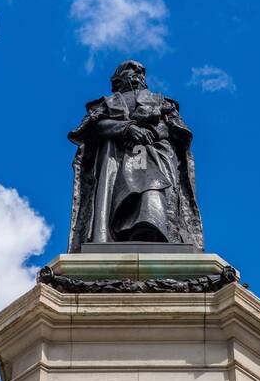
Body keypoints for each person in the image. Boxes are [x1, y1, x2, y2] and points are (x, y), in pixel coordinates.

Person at [67, 60, 203, 250]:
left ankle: (152, 230)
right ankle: (117, 232)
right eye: (131, 69)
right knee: (122, 192)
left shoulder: (161, 101)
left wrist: (152, 133)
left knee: (153, 191)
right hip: (116, 157)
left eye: (140, 70)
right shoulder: (106, 104)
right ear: (117, 79)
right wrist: (126, 128)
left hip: (156, 156)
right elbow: (92, 128)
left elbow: (178, 130)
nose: (139, 72)